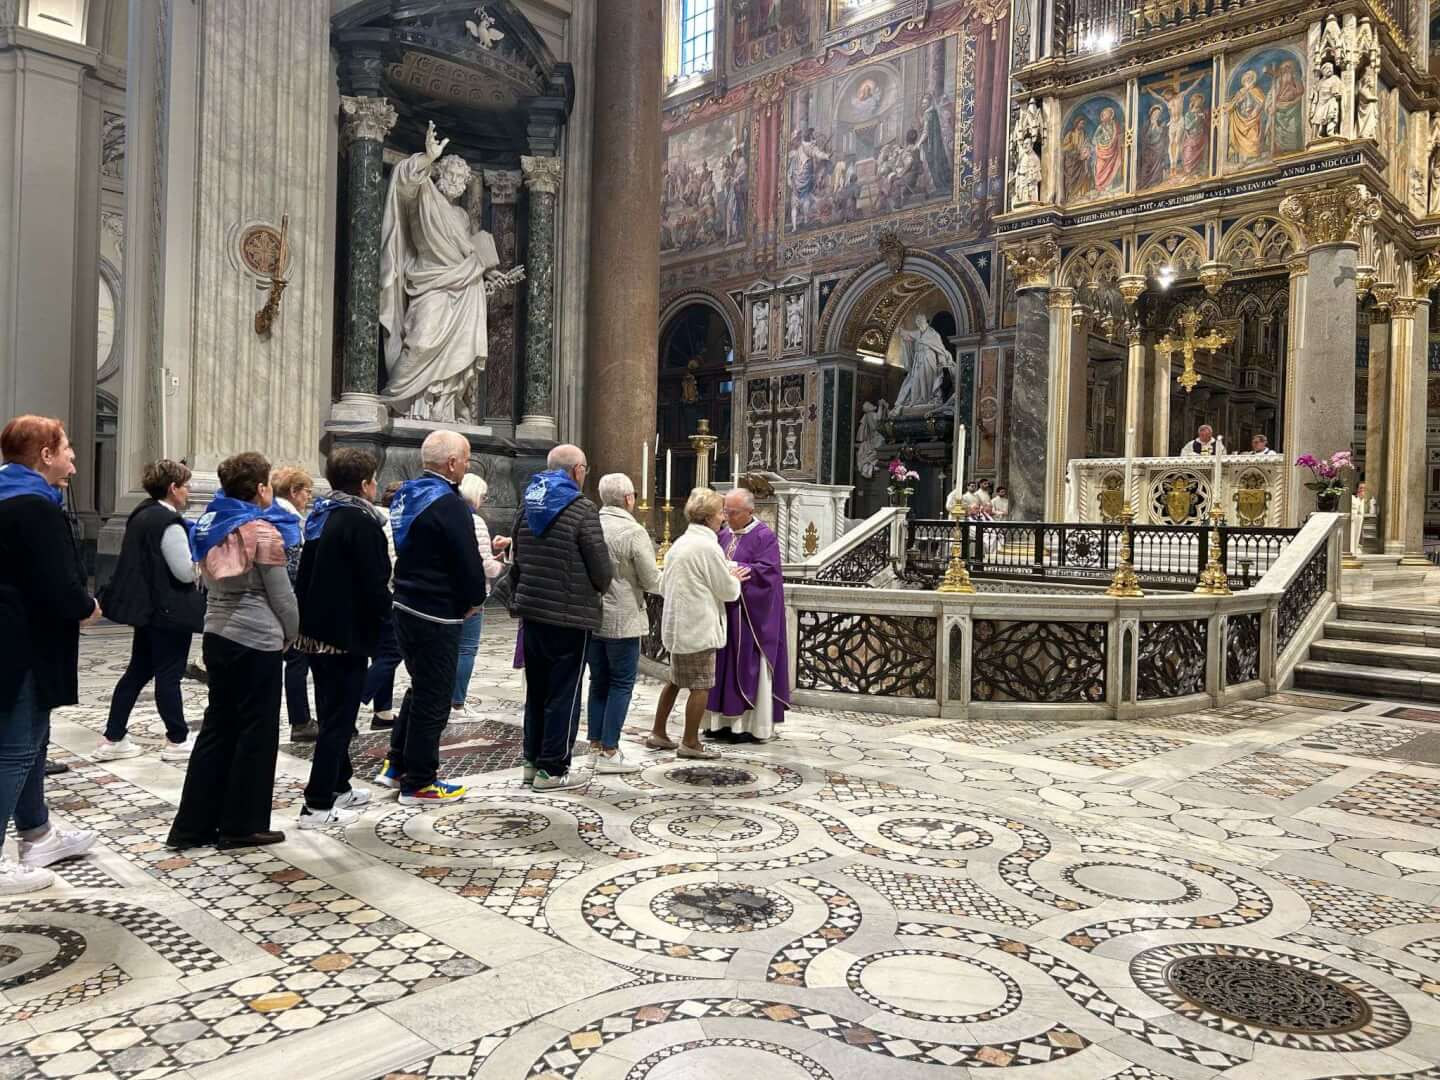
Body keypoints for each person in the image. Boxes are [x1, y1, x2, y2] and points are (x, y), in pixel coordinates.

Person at [166, 452, 299, 850]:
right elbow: (282, 597)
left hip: (216, 634)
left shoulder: (209, 524)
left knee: (218, 728)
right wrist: (292, 633)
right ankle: (242, 825)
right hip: (256, 638)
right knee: (257, 733)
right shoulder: (261, 531)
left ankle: (192, 826)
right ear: (260, 488)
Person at [0, 416, 100, 893]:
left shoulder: (8, 496)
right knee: (16, 748)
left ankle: (37, 833)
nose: (73, 463)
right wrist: (86, 606)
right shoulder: (34, 507)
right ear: (44, 454)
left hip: (18, 638)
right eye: (67, 452)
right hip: (22, 644)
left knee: (33, 741)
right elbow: (57, 582)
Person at [375, 430, 486, 805]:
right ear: (452, 463)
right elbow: (467, 558)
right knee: (436, 697)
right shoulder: (449, 503)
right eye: (466, 459)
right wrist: (476, 598)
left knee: (421, 687)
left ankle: (396, 764)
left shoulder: (409, 493)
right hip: (435, 610)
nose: (467, 465)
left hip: (406, 602)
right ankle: (420, 782)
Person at [293, 449, 392, 829]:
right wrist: (386, 621)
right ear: (366, 484)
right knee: (339, 721)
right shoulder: (361, 522)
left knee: (331, 710)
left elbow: (303, 576)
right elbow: (375, 581)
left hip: (315, 632)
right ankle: (316, 805)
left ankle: (339, 785)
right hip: (345, 633)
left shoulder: (322, 515)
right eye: (374, 480)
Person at [509, 445, 614, 790]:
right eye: (585, 469)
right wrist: (600, 586)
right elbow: (601, 568)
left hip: (532, 611)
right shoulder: (582, 508)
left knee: (537, 690)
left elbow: (516, 555)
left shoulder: (528, 504)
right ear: (576, 471)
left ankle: (530, 762)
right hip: (570, 616)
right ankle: (552, 769)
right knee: (564, 693)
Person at [95, 459, 203, 763]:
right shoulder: (168, 522)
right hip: (169, 611)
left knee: (137, 671)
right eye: (186, 486)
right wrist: (201, 564)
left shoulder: (141, 513)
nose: (189, 491)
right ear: (173, 488)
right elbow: (184, 572)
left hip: (147, 609)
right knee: (169, 675)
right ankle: (177, 739)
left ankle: (113, 736)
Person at [649, 488, 749, 760]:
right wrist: (735, 578)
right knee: (701, 685)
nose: (723, 518)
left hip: (678, 625)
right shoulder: (708, 547)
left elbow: (665, 584)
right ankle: (690, 742)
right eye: (720, 513)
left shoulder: (680, 542)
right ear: (708, 517)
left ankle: (658, 732)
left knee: (675, 680)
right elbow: (727, 591)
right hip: (698, 626)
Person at [586, 473, 661, 774]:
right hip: (623, 617)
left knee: (598, 681)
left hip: (592, 616)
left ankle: (595, 744)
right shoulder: (633, 531)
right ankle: (610, 750)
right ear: (629, 499)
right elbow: (650, 579)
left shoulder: (590, 524)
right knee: (620, 683)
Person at [703, 488, 788, 744]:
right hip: (724, 614)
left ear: (750, 511)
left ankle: (747, 726)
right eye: (725, 511)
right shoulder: (722, 535)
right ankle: (718, 723)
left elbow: (768, 574)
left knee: (747, 668)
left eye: (733, 512)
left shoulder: (764, 537)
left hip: (750, 618)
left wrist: (733, 568)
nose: (727, 517)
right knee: (720, 668)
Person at [452, 473, 510, 720]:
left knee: (448, 648)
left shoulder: (447, 515)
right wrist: (500, 565)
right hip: (471, 596)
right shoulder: (475, 522)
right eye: (484, 496)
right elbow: (485, 566)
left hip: (446, 593)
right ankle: (457, 703)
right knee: (466, 649)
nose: (484, 501)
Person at [270, 467, 315, 742]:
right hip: (288, 602)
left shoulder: (269, 514)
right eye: (307, 491)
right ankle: (300, 721)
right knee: (297, 660)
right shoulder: (287, 523)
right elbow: (293, 571)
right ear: (293, 491)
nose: (309, 497)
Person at [362, 480, 404, 730]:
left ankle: (383, 711)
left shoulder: (374, 515)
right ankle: (359, 693)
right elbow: (394, 560)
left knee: (381, 651)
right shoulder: (391, 523)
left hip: (372, 594)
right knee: (393, 651)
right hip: (389, 594)